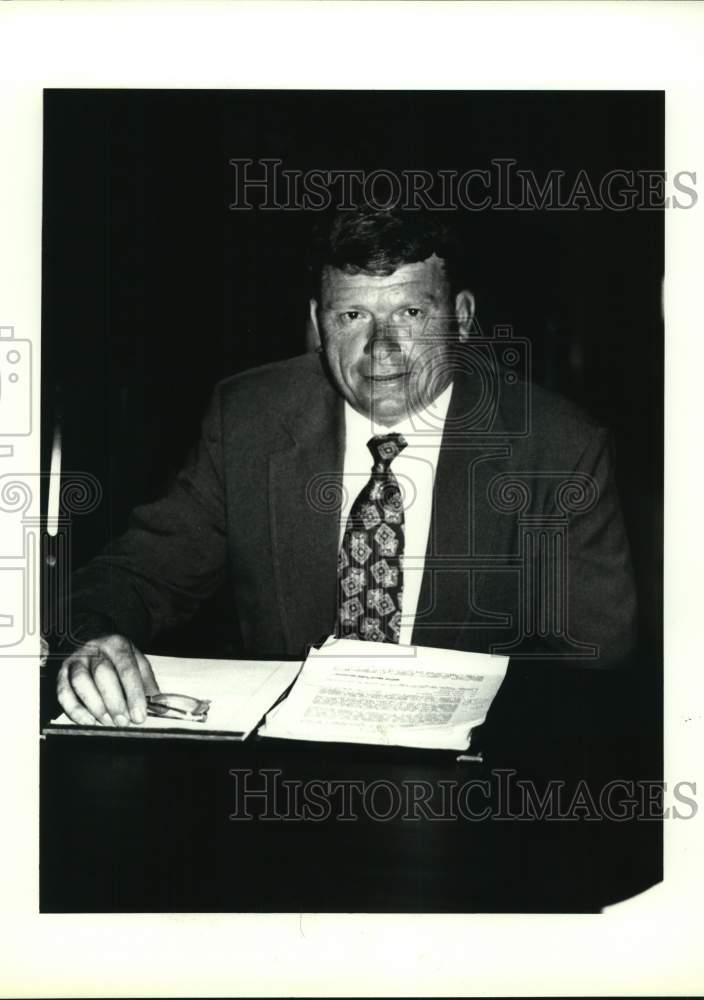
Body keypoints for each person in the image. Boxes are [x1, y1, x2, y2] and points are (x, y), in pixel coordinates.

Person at [57, 206, 637, 728]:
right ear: (317, 323)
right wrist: (94, 640)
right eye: (352, 315)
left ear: (461, 317)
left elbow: (591, 657)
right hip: (281, 778)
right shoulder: (250, 419)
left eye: (410, 311)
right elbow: (142, 573)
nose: (380, 346)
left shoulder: (557, 448)